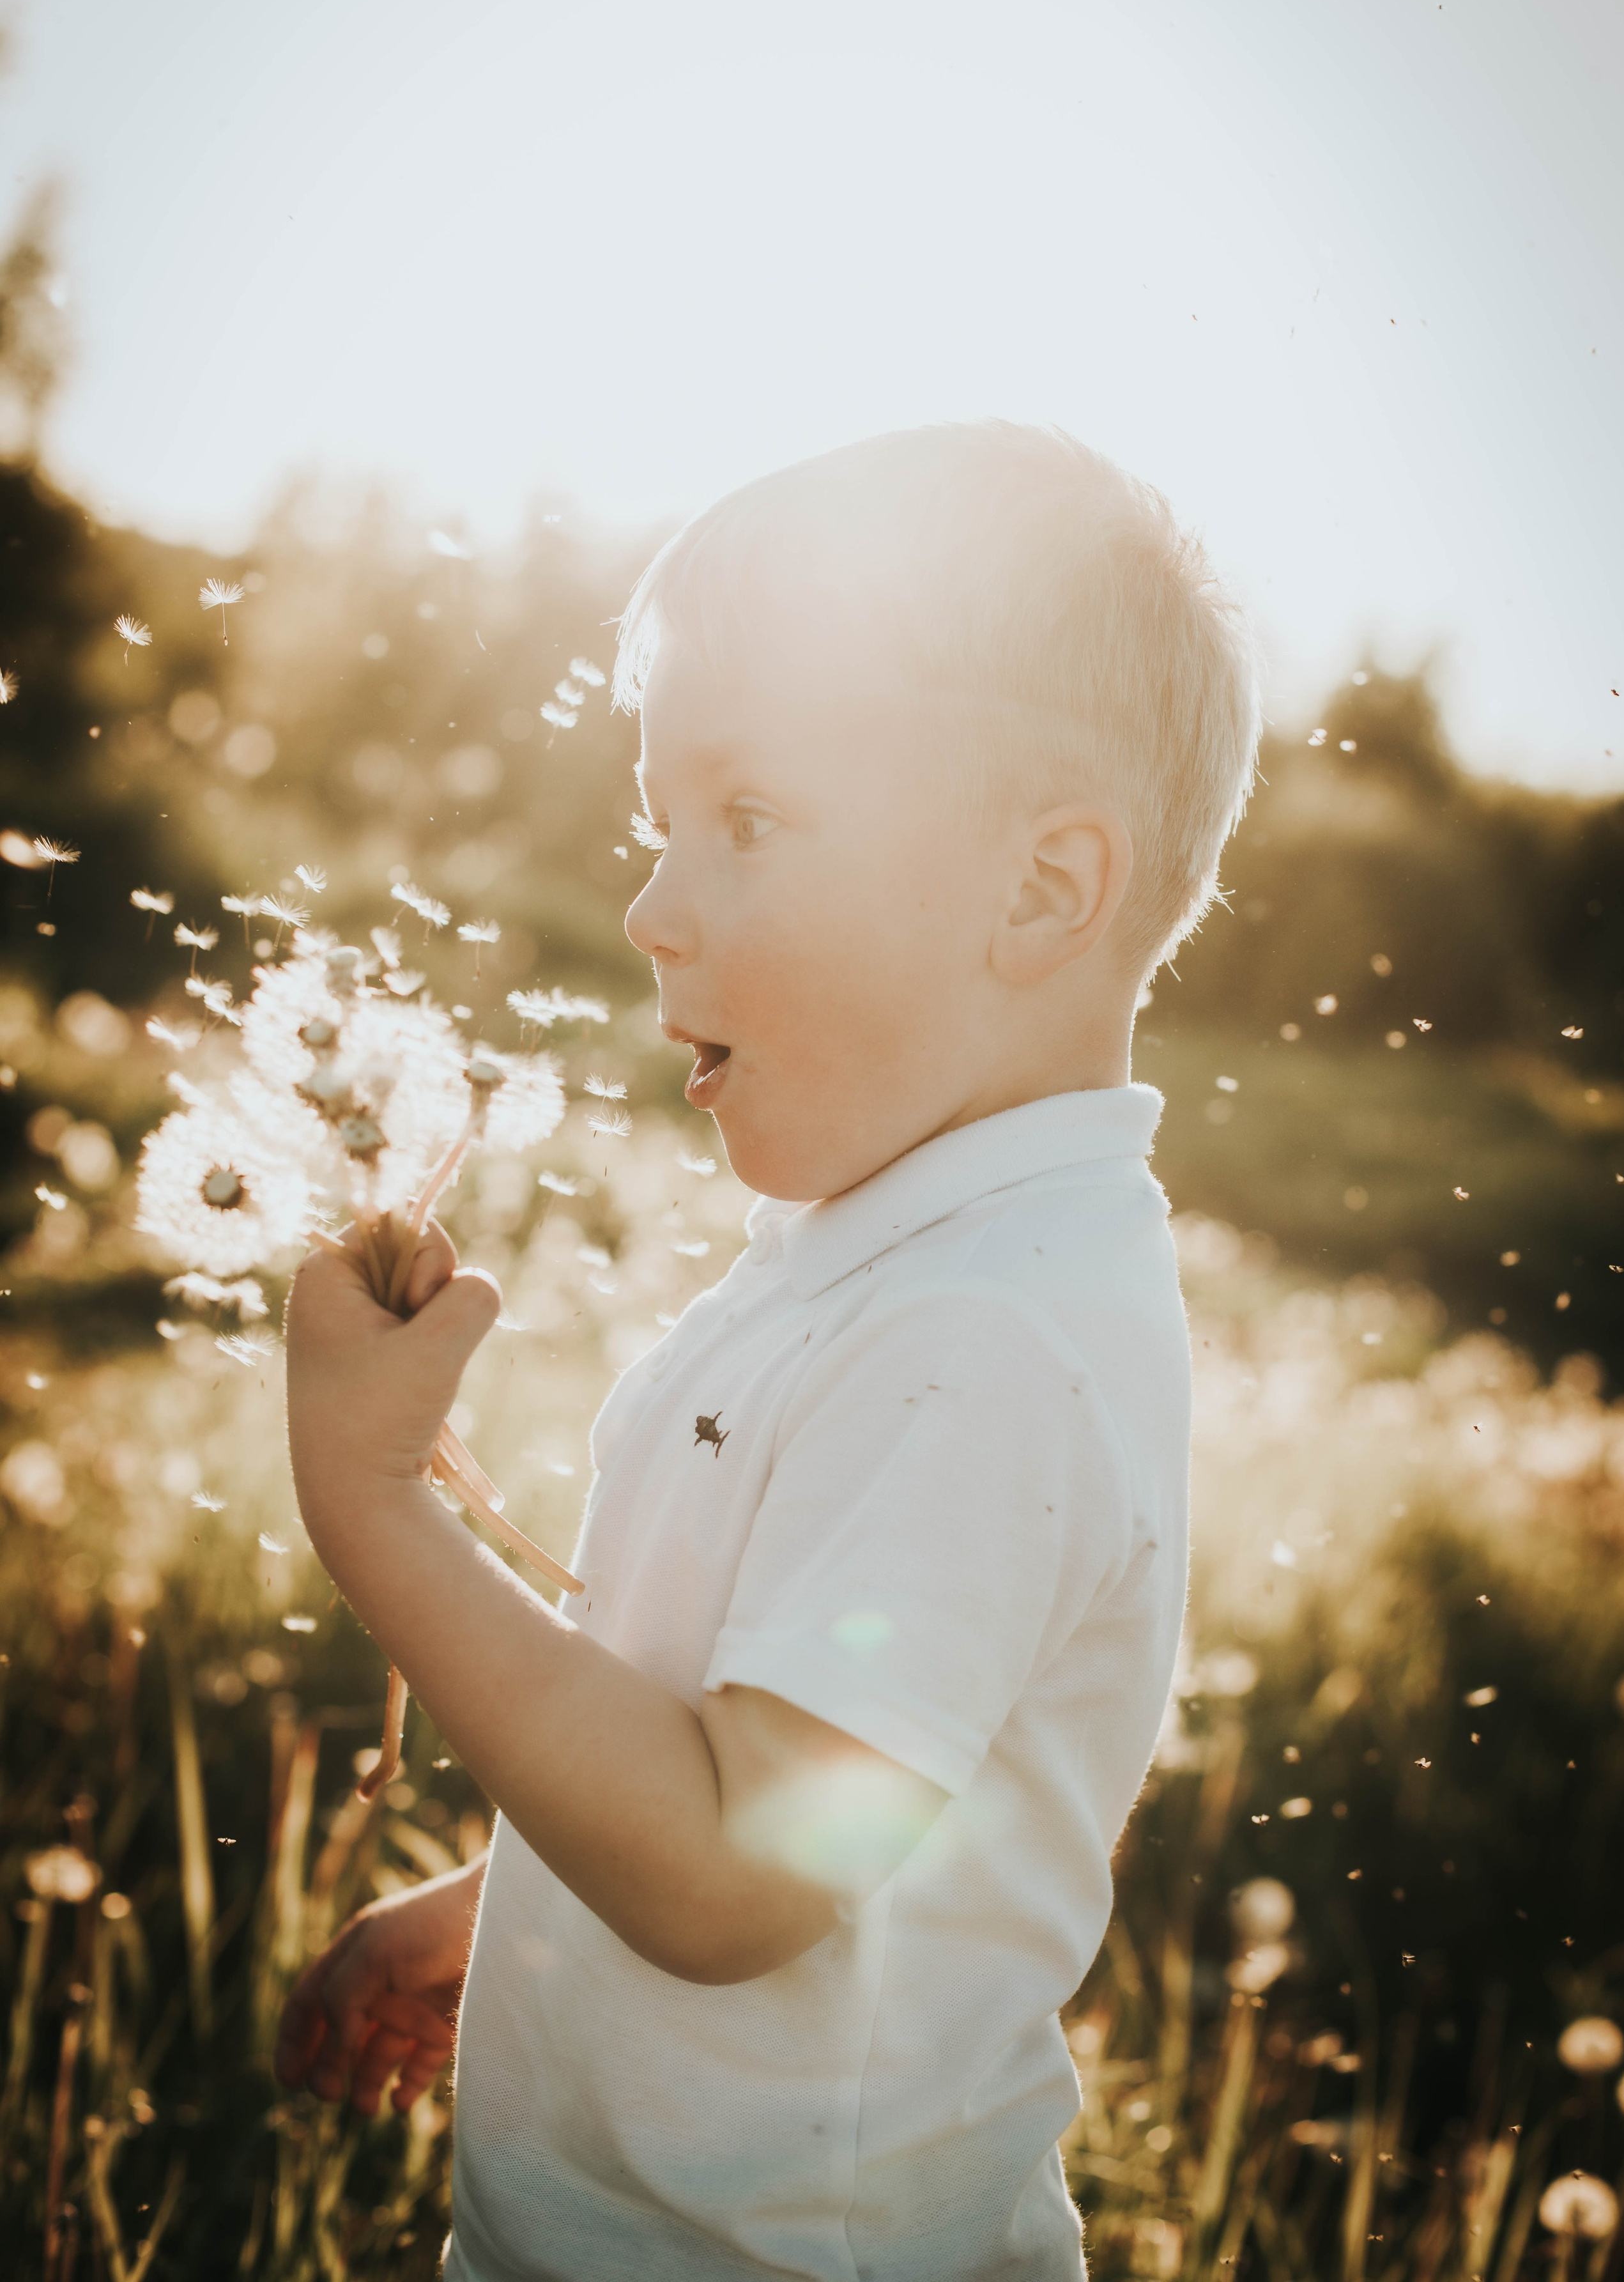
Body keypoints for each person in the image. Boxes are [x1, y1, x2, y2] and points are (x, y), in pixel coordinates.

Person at [274, 422, 1260, 2280]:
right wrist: (509, 1905)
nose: (651, 906)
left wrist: (377, 1509)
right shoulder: (891, 1258)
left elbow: (741, 1868)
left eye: (746, 820)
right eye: (661, 827)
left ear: (1043, 892)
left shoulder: (986, 1338)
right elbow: (778, 1759)